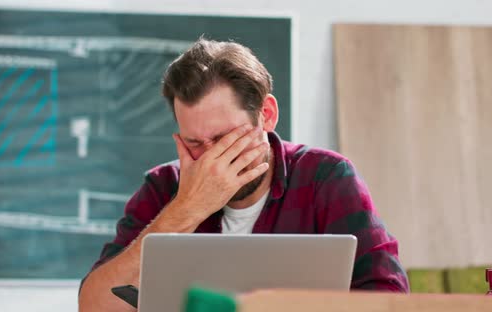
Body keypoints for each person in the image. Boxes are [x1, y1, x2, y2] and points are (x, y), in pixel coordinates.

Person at [78, 38, 409, 311]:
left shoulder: (326, 178)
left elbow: (390, 299)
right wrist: (186, 209)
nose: (211, 160)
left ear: (266, 115)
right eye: (194, 143)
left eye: (224, 139)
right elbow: (94, 305)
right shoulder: (163, 187)